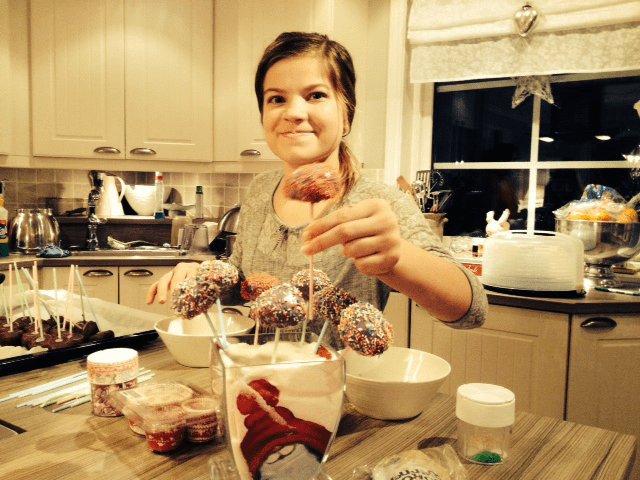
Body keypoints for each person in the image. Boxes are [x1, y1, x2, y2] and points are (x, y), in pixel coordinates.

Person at [147, 32, 487, 347]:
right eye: (276, 99)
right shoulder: (261, 188)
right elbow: (243, 283)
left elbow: (472, 310)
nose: (294, 112)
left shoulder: (378, 203)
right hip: (255, 377)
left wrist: (397, 257)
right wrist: (204, 277)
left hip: (337, 383)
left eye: (316, 95)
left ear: (346, 113)